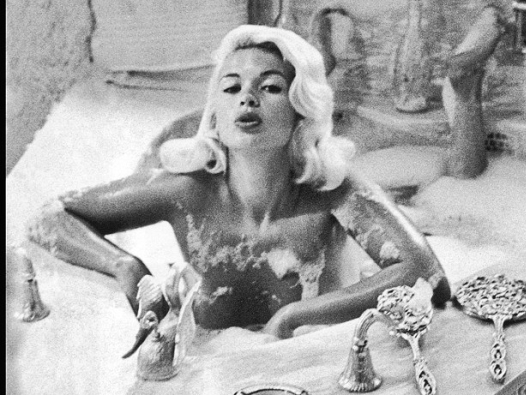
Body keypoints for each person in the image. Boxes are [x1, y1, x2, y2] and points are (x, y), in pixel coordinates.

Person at [28, 25, 451, 340]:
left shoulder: (333, 189)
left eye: (270, 87)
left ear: (301, 110)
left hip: (314, 378)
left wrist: (294, 316)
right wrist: (126, 267)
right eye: (231, 88)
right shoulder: (187, 191)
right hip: (215, 378)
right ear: (215, 114)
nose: (247, 98)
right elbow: (51, 215)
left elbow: (427, 274)